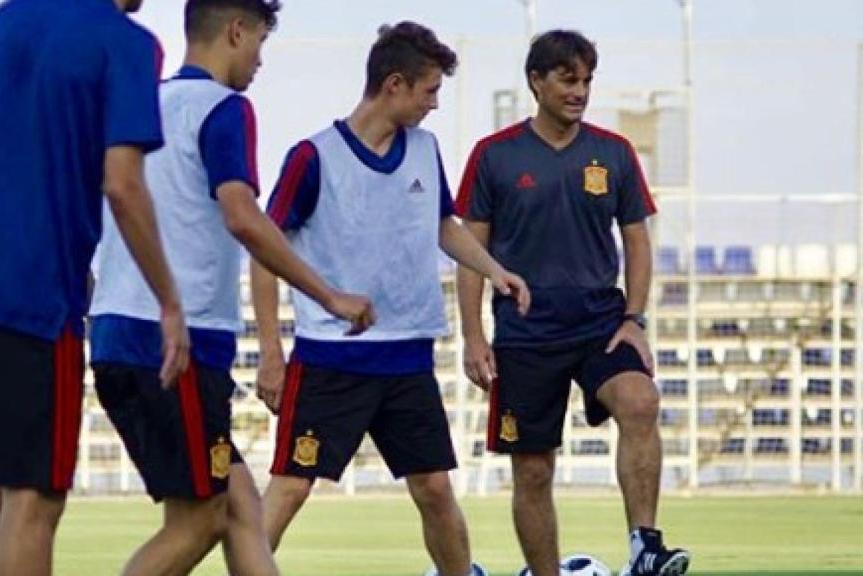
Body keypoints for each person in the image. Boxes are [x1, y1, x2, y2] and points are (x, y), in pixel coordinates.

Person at [88, 1, 374, 575]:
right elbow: (243, 217)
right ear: (236, 31)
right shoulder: (224, 109)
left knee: (241, 505)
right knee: (204, 516)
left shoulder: (148, 102)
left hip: (119, 332)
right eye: (261, 43)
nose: (261, 61)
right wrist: (330, 296)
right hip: (174, 344)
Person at [252, 21, 529, 576]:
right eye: (430, 91)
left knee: (433, 488)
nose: (434, 104)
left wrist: (496, 270)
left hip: (407, 359)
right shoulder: (314, 157)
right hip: (330, 359)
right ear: (395, 84)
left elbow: (442, 225)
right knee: (290, 488)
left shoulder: (424, 150)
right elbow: (264, 250)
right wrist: (270, 350)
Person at [0, 0, 187, 574]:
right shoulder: (126, 44)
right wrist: (169, 299)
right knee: (35, 497)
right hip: (33, 296)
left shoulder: (9, 17)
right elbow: (123, 184)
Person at [454, 30, 691, 576]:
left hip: (599, 324)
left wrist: (634, 318)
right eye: (567, 78)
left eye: (586, 80)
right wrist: (472, 335)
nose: (579, 90)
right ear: (536, 82)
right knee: (533, 470)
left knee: (640, 401)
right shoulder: (494, 157)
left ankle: (645, 548)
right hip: (525, 334)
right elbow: (470, 250)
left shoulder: (613, 153)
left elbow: (636, 238)